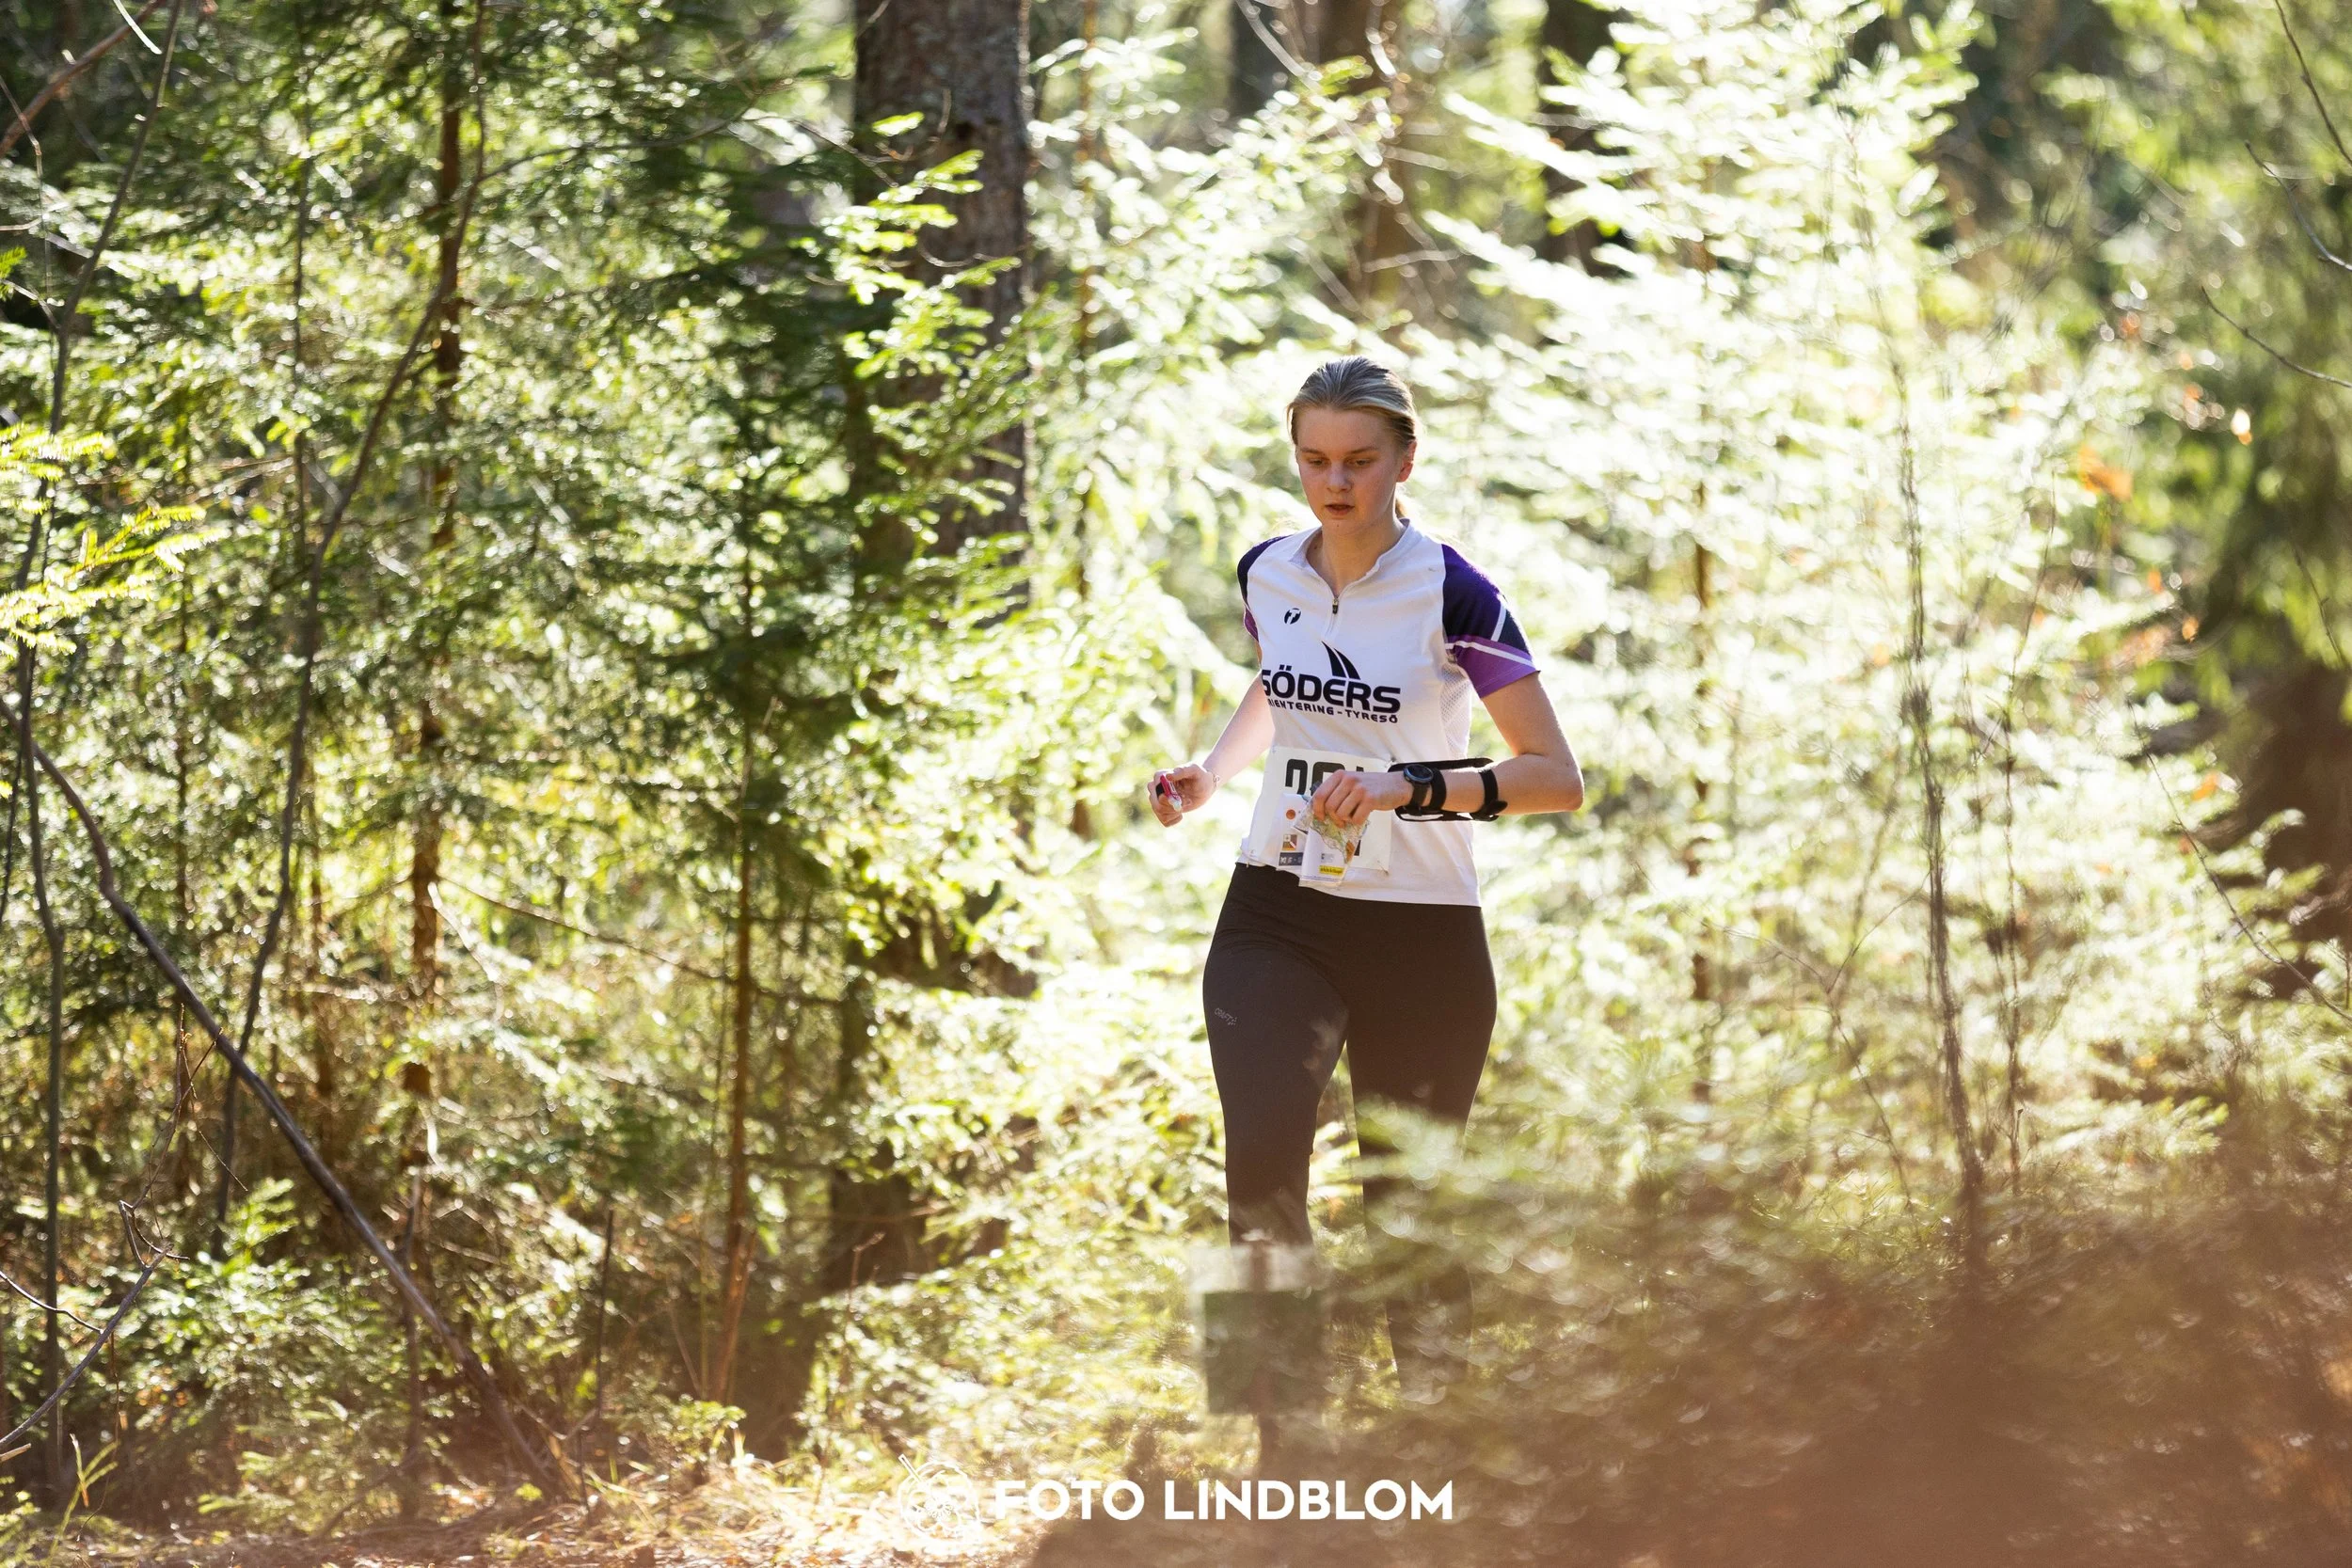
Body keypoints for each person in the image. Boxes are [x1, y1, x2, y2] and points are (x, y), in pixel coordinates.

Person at [1150, 356, 1586, 1425]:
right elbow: (1282, 682)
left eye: (1357, 461)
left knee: (1407, 1204)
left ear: (1403, 459)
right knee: (1258, 1161)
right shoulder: (1269, 571)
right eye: (1312, 461)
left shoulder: (1453, 589)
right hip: (1275, 905)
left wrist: (1406, 786)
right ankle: (1275, 1439)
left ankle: (1441, 1434)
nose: (1333, 483)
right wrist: (1212, 773)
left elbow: (1554, 779)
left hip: (1420, 932)